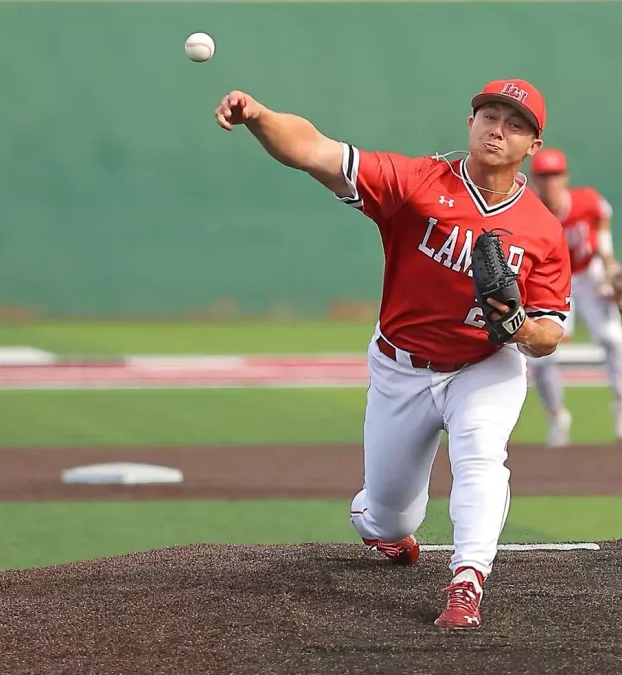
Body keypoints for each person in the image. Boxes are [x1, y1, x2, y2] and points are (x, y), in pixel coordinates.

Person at [214, 80, 571, 629]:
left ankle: (466, 583)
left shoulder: (543, 230)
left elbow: (551, 333)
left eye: (515, 123)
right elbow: (316, 151)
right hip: (401, 369)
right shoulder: (417, 183)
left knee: (481, 452)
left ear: (534, 145)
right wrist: (259, 116)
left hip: (484, 364)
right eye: (490, 115)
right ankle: (384, 531)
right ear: (470, 123)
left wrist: (518, 327)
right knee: (388, 514)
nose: (499, 129)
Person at [526, 148, 622, 446]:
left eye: (555, 175)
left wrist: (609, 259)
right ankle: (556, 415)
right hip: (552, 280)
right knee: (540, 353)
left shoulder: (585, 201)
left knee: (614, 339)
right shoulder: (529, 209)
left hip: (589, 275)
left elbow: (603, 216)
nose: (550, 182)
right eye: (543, 176)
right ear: (534, 180)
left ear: (566, 177)